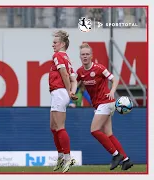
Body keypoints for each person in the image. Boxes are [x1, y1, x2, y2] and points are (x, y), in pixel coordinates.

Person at [76, 43, 133, 171]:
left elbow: (114, 80)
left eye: (87, 54)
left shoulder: (99, 68)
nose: (85, 56)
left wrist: (112, 91)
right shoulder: (80, 71)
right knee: (109, 134)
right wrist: (71, 90)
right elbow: (74, 81)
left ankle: (116, 155)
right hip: (99, 104)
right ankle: (126, 160)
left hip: (106, 102)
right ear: (80, 57)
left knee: (94, 130)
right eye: (83, 54)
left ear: (91, 56)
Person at [49, 30, 78, 173]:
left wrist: (67, 91)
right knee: (53, 126)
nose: (52, 45)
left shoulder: (58, 55)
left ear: (62, 44)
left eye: (55, 42)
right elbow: (74, 79)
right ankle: (61, 156)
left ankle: (67, 157)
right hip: (60, 92)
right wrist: (72, 91)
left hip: (60, 92)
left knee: (59, 127)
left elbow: (65, 75)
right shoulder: (67, 58)